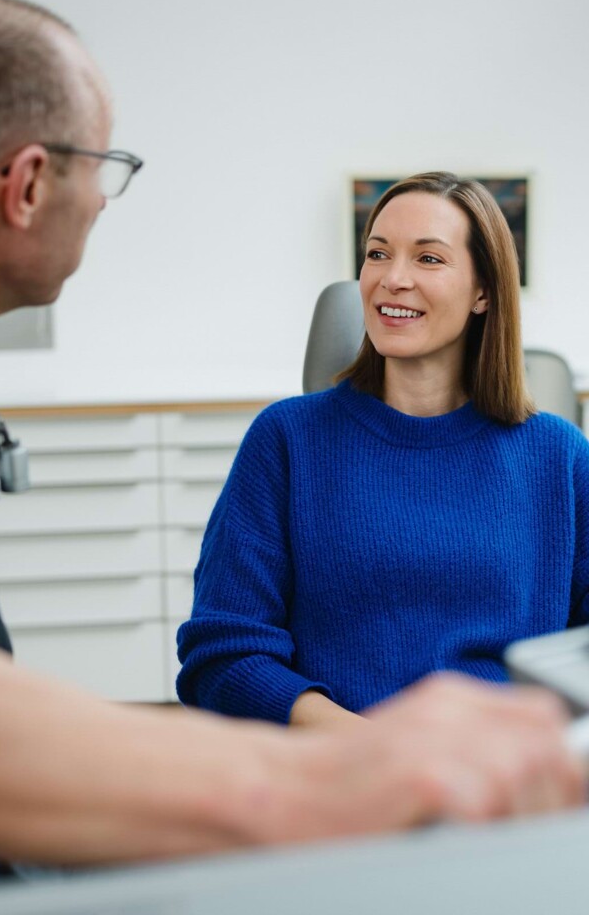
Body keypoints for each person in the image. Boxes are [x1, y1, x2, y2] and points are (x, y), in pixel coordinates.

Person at [0, 0, 583, 910]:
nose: (103, 201)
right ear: (30, 184)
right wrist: (340, 778)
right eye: (107, 166)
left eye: (430, 258)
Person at [176, 172, 589, 732]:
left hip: (503, 788)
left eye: (428, 259)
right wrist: (371, 749)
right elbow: (224, 655)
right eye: (378, 254)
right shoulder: (286, 441)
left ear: (484, 291)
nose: (393, 279)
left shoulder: (559, 457)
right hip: (341, 778)